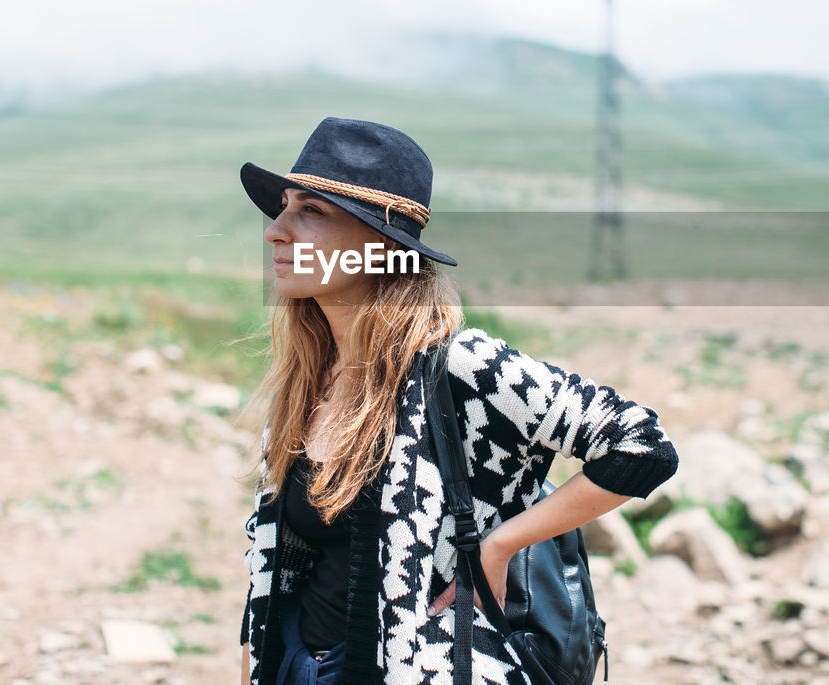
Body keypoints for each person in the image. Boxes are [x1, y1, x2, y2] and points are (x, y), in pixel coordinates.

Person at [237, 117, 679, 685]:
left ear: (379, 244)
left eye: (310, 211)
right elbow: (276, 562)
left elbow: (643, 446)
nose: (276, 230)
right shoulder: (310, 375)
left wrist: (500, 544)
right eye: (283, 207)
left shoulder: (458, 364)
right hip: (298, 663)